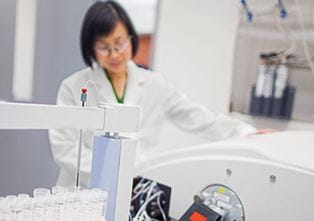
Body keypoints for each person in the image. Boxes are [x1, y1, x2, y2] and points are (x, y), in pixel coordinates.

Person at [49, 0, 259, 187]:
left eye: (120, 43)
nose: (114, 54)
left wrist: (245, 132)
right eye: (104, 47)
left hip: (136, 187)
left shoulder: (153, 84)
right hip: (84, 190)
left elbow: (196, 117)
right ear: (91, 49)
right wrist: (112, 171)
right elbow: (65, 148)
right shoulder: (73, 86)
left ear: (131, 37)